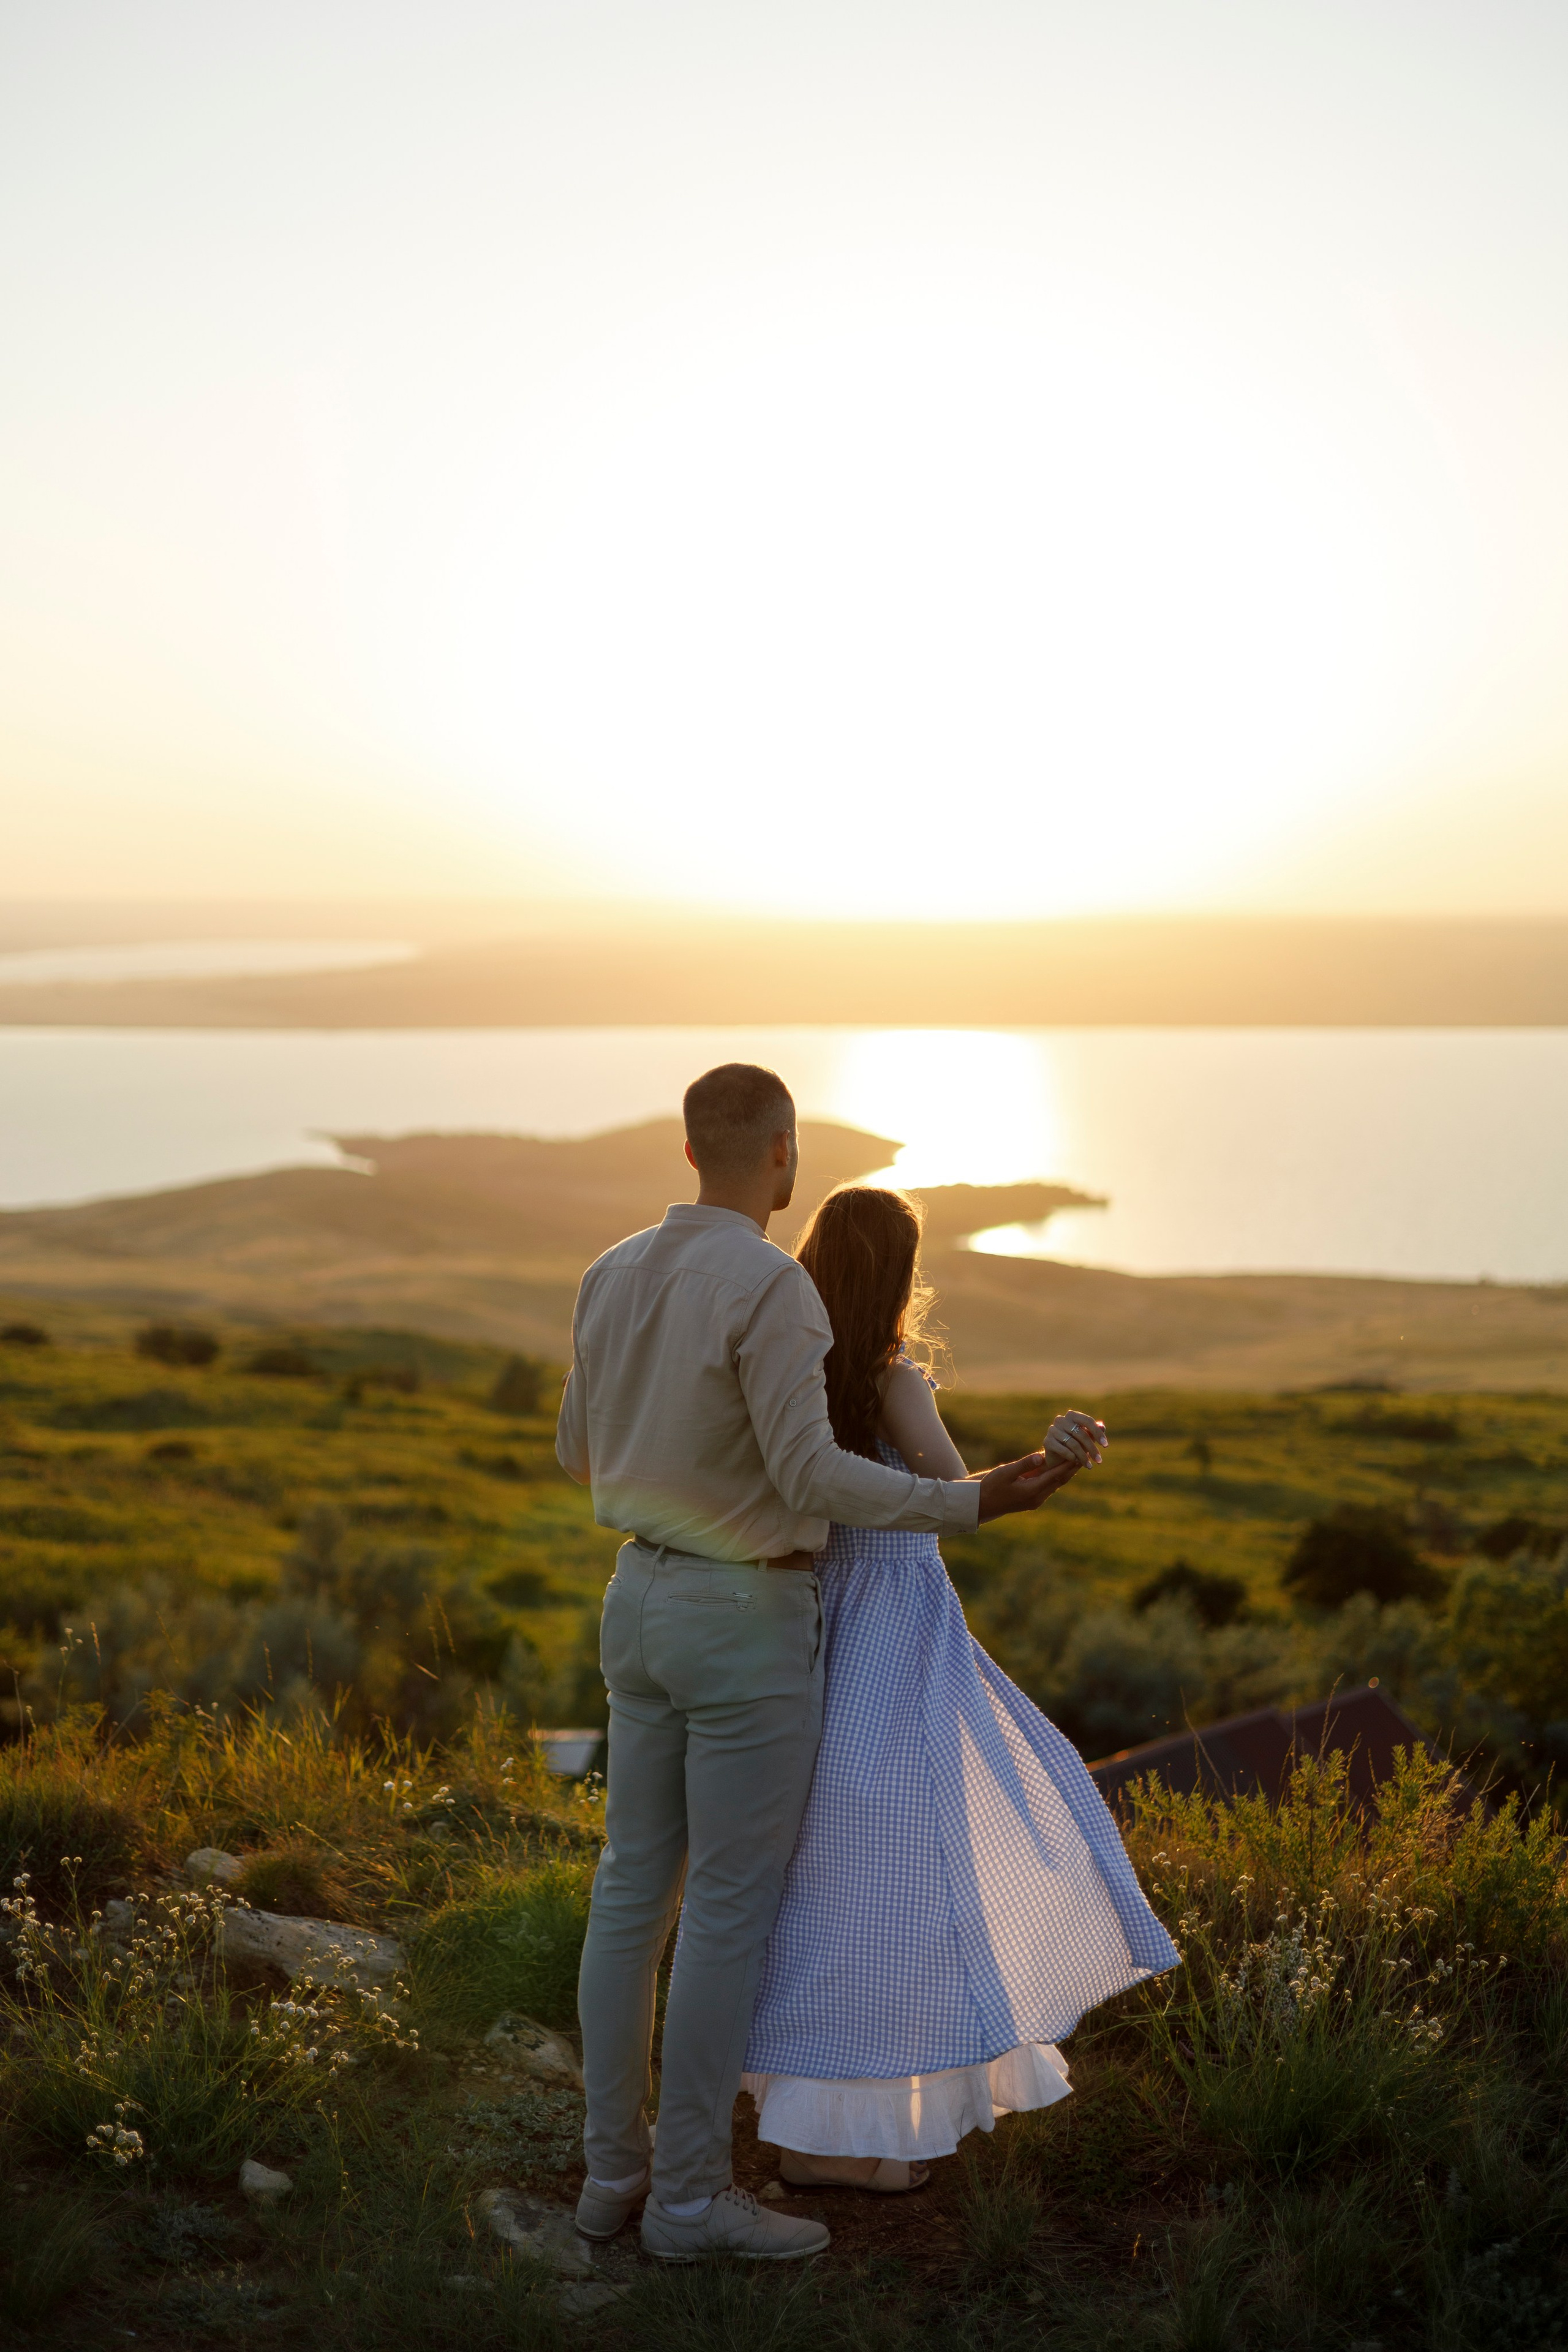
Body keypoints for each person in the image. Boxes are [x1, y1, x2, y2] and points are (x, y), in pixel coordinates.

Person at [556, 1064, 1099, 2263]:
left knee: (628, 1895)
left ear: (689, 1149)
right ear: (780, 1155)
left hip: (634, 1596)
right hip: (742, 1613)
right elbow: (808, 1479)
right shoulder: (767, 1285)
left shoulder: (609, 1275)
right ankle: (692, 2203)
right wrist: (960, 1506)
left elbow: (576, 1451)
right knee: (727, 1913)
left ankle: (612, 2182)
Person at [741, 1184, 1179, 2192]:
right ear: (898, 1275)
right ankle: (869, 2135)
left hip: (812, 1626)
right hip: (896, 1628)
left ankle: (809, 2122)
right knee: (908, 1871)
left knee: (821, 1872)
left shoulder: (785, 1369)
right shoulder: (895, 1381)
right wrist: (1053, 1458)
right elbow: (956, 1501)